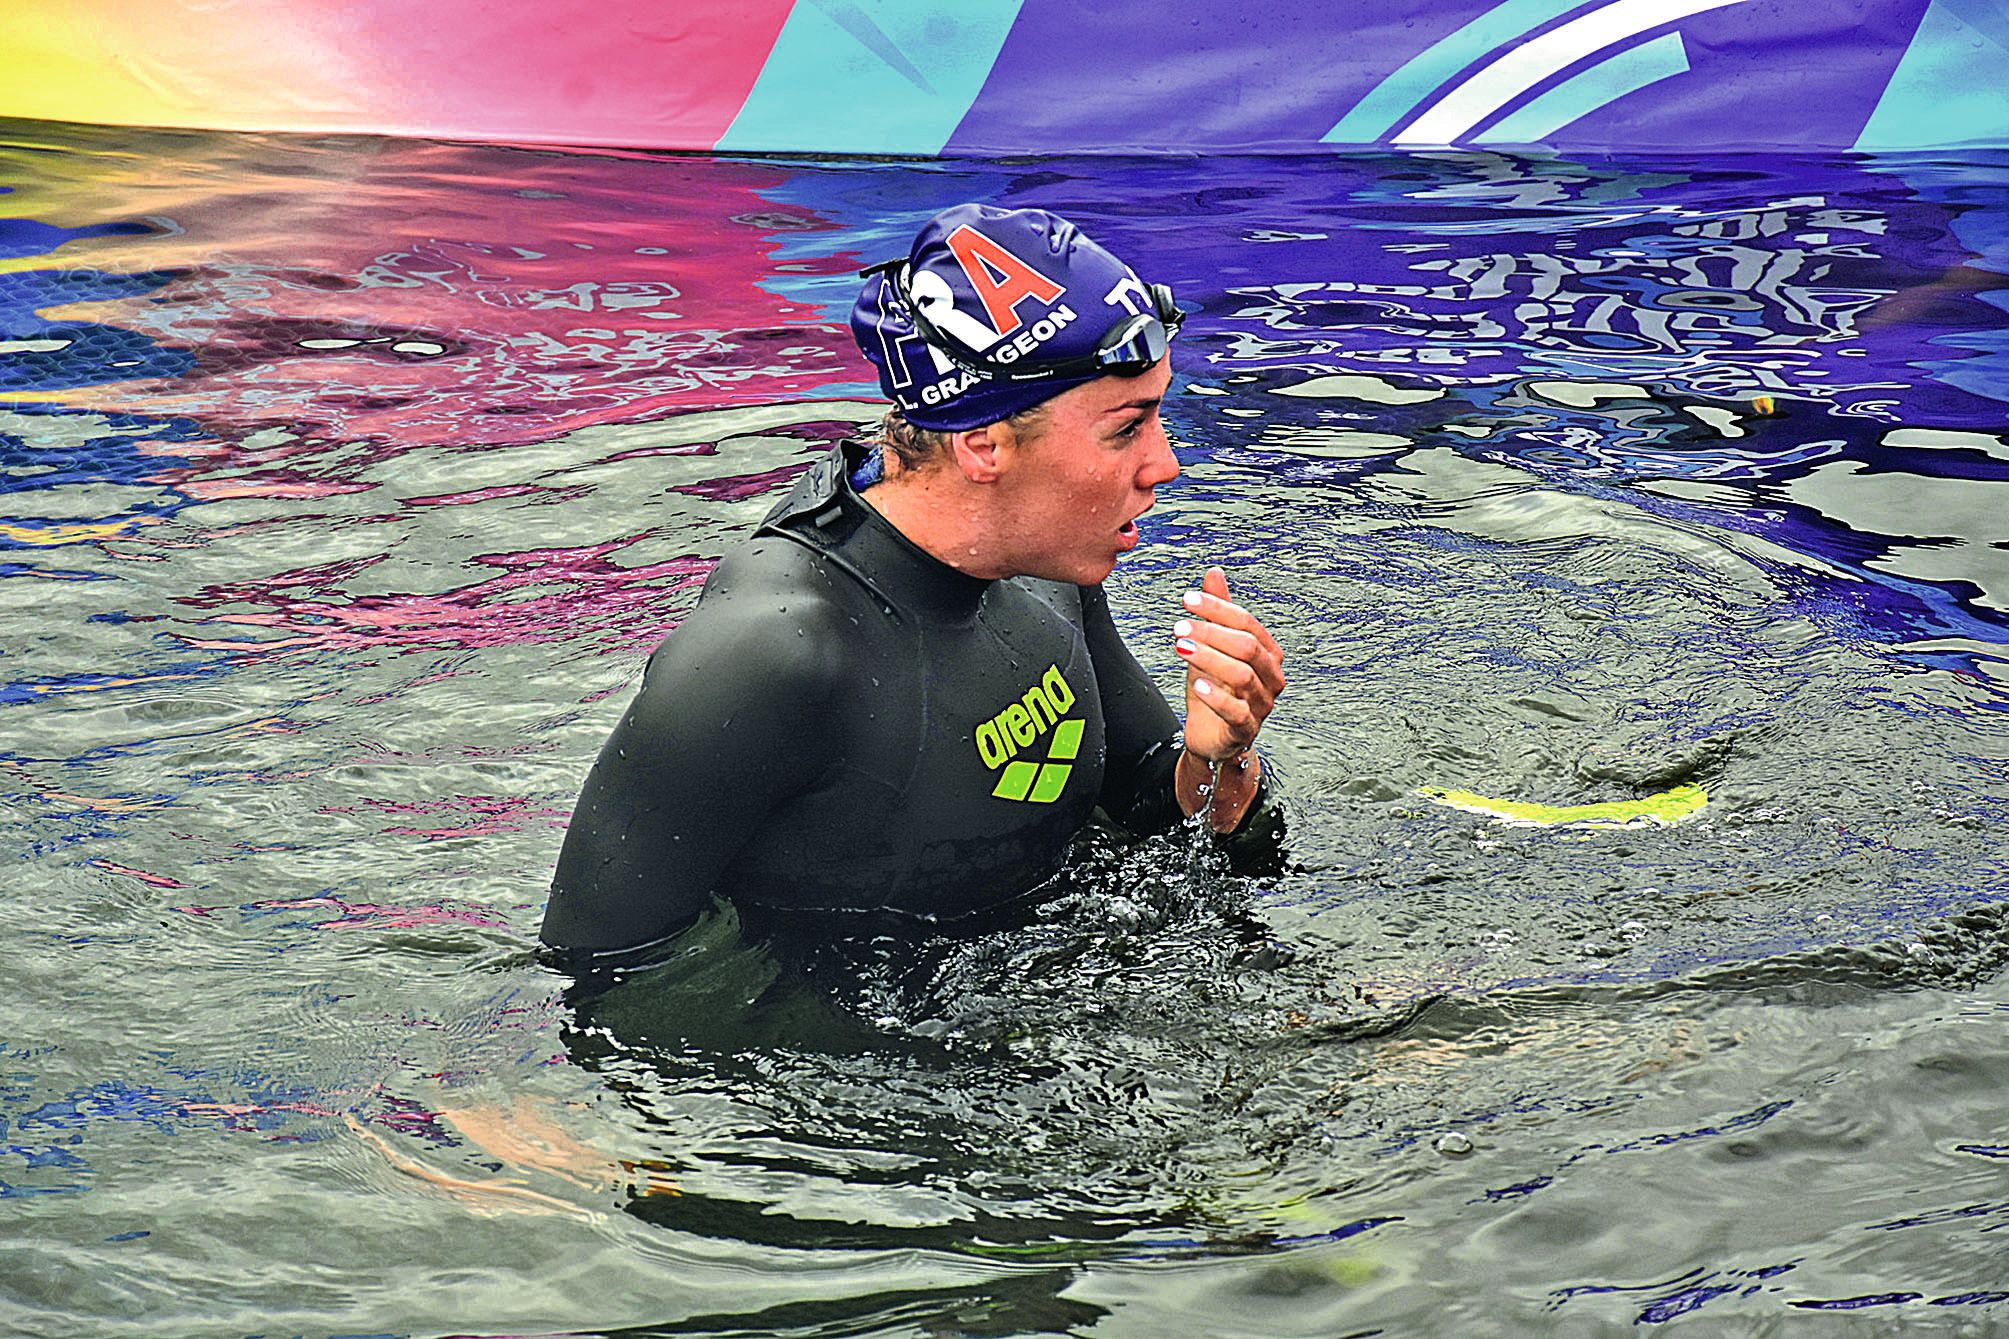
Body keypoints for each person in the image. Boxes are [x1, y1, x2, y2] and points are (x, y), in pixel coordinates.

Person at [540, 204, 1286, 969]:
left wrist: (1219, 756)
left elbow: (1151, 801)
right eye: (1127, 427)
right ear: (984, 446)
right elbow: (599, 975)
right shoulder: (770, 654)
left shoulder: (1036, 560)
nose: (1164, 465)